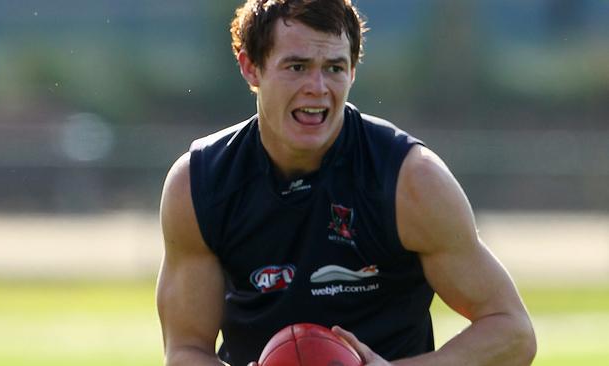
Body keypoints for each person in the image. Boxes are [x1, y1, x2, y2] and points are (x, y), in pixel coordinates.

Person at [156, 0, 537, 365]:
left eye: (335, 68)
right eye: (297, 66)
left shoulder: (410, 180)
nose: (318, 87)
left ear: (353, 71)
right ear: (251, 67)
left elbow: (512, 332)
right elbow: (185, 349)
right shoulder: (200, 183)